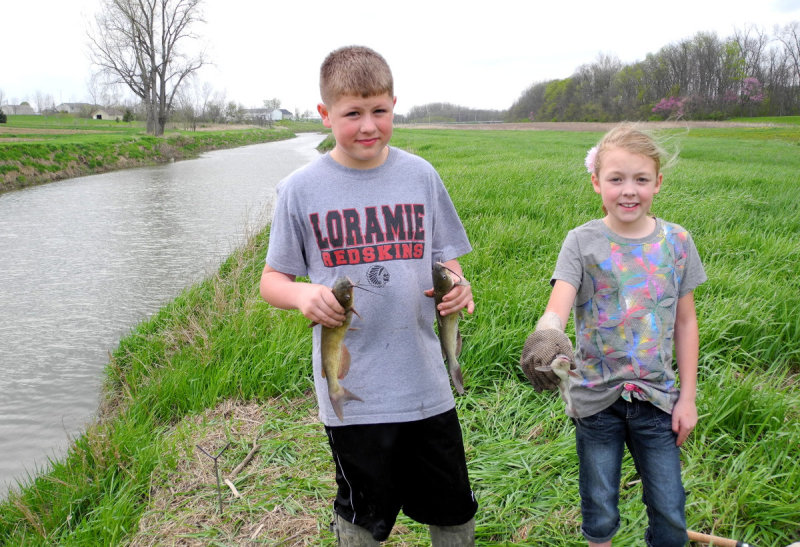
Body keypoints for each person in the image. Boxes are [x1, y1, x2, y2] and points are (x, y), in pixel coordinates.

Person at [260, 45, 478, 545]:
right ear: (324, 114)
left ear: (394, 105)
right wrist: (301, 297)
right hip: (353, 392)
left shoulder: (420, 175)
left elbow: (445, 258)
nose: (367, 126)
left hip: (426, 381)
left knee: (453, 507)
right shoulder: (300, 189)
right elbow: (272, 280)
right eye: (351, 113)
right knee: (362, 514)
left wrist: (458, 287)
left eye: (379, 111)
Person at [520, 123, 706, 546]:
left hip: (658, 399)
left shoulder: (677, 242)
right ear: (596, 182)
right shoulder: (582, 242)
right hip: (595, 401)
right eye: (616, 179)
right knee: (600, 503)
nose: (629, 191)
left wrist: (688, 399)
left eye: (641, 179)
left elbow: (686, 322)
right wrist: (547, 334)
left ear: (658, 182)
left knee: (670, 507)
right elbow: (559, 304)